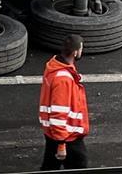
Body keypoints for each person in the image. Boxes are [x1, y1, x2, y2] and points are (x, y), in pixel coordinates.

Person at [38, 34, 90, 170]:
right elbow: (58, 113)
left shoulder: (54, 66)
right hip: (67, 136)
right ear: (75, 52)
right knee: (79, 165)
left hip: (53, 133)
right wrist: (61, 144)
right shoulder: (63, 79)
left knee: (50, 167)